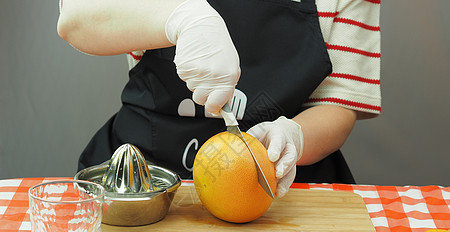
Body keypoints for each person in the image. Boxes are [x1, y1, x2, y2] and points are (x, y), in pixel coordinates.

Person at [57, 0, 381, 198]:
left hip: (276, 190)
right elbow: (75, 18)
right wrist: (181, 17)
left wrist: (294, 137)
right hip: (143, 185)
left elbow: (338, 107)